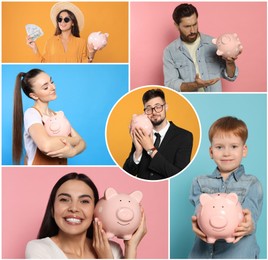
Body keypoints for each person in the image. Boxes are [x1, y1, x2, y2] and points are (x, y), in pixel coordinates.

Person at [25, 172, 147, 259]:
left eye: (84, 201)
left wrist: (131, 247)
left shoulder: (113, 250)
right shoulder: (38, 249)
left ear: (95, 211)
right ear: (52, 209)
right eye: (64, 200)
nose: (73, 208)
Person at [189, 116, 263, 258]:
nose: (227, 153)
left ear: (244, 150)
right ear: (211, 152)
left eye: (234, 146)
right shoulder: (199, 182)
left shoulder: (252, 183)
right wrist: (197, 222)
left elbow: (251, 215)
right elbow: (199, 211)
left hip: (238, 254)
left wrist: (249, 225)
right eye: (219, 147)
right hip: (203, 254)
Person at [12, 68, 86, 165]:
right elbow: (46, 145)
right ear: (34, 96)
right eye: (46, 87)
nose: (53, 87)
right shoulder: (32, 114)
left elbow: (82, 143)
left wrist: (73, 152)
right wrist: (75, 140)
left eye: (52, 82)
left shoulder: (57, 114)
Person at [163, 3, 239, 92]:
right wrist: (195, 85)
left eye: (195, 24)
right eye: (187, 26)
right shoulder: (170, 51)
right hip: (189, 103)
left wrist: (230, 63)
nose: (192, 30)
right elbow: (171, 84)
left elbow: (231, 77)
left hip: (214, 102)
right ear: (176, 25)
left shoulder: (213, 44)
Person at [123, 88, 193, 180]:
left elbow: (179, 175)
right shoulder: (141, 134)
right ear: (145, 112)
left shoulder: (184, 136)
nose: (154, 112)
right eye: (148, 109)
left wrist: (150, 149)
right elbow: (127, 174)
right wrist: (138, 152)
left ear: (166, 107)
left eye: (158, 106)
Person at [26, 2, 98, 63]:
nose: (62, 21)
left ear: (73, 22)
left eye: (66, 19)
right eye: (60, 19)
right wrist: (35, 49)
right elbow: (44, 64)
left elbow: (84, 65)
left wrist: (91, 53)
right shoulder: (50, 42)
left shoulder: (81, 42)